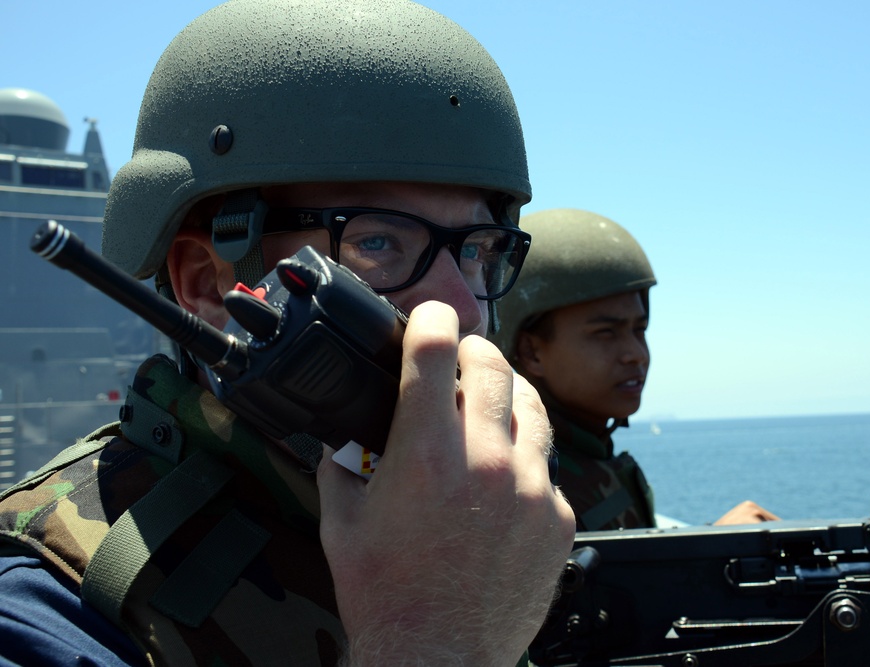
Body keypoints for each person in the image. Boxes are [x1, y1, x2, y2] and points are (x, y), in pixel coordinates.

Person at [0, 1, 575, 665]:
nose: (460, 307)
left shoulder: (498, 526)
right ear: (207, 286)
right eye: (378, 239)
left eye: (476, 249)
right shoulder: (49, 607)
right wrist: (432, 643)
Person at [492, 208, 777, 531]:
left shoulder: (586, 455)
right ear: (532, 351)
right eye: (605, 333)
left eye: (639, 330)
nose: (636, 355)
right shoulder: (521, 488)